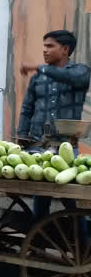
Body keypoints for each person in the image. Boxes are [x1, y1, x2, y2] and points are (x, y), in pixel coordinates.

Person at [18, 30, 91, 217]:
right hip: (37, 147)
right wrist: (21, 139)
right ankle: (37, 239)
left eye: (50, 46)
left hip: (65, 147)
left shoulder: (80, 71)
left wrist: (39, 67)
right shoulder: (38, 78)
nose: (44, 50)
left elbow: (75, 79)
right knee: (40, 198)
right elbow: (27, 110)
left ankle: (81, 243)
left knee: (71, 201)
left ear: (65, 49)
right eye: (44, 46)